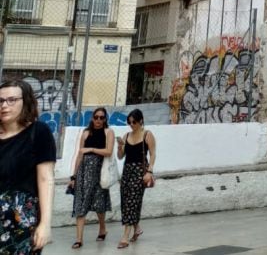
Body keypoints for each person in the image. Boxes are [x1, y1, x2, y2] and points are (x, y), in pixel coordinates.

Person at [0, 78, 56, 254]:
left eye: (12, 100)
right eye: (0, 100)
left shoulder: (38, 132)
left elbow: (46, 179)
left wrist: (45, 224)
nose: (4, 105)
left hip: (21, 224)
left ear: (26, 101)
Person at [67, 106, 114, 247]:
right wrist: (73, 177)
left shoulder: (108, 132)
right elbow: (80, 155)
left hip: (99, 173)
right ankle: (79, 239)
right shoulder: (86, 133)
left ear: (105, 119)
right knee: (80, 204)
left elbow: (109, 151)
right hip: (83, 173)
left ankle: (102, 228)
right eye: (96, 117)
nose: (98, 120)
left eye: (101, 117)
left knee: (99, 204)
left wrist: (92, 149)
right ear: (92, 118)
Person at [115, 109, 155, 249]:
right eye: (129, 122)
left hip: (140, 172)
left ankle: (125, 236)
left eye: (134, 122)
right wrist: (120, 147)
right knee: (126, 201)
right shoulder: (126, 136)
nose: (132, 124)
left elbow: (153, 154)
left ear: (141, 121)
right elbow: (120, 157)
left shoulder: (147, 135)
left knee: (132, 201)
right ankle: (137, 228)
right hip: (127, 172)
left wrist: (149, 172)